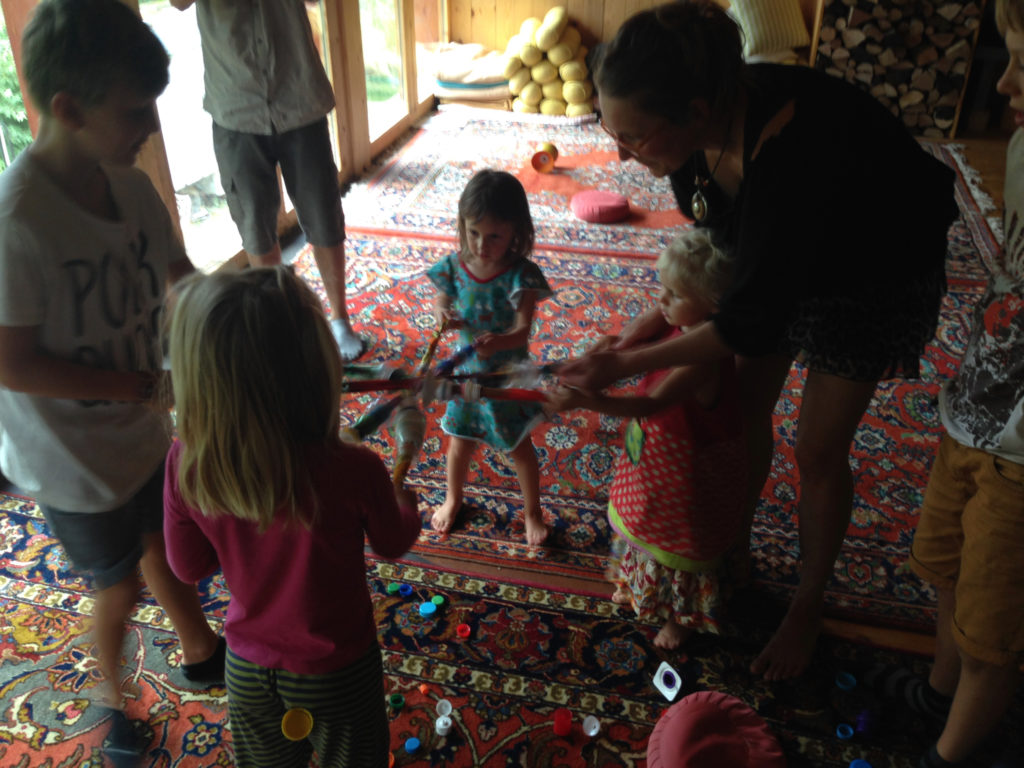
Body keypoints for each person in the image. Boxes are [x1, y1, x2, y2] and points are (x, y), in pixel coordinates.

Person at [557, 0, 959, 680]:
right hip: (778, 255)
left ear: (694, 111)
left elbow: (743, 321)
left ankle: (807, 604)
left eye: (634, 136)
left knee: (818, 450)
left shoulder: (795, 152)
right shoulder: (692, 143)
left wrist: (625, 365)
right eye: (609, 127)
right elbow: (721, 286)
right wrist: (621, 344)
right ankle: (728, 552)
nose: (621, 152)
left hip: (873, 268)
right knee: (743, 413)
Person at [0, 0, 224, 752]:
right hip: (66, 458)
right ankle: (112, 699)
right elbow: (11, 363)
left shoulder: (129, 188)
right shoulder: (18, 221)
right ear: (68, 109)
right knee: (119, 582)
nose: (150, 128)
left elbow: (179, 277)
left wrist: (232, 316)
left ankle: (200, 649)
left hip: (138, 427)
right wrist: (142, 388)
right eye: (134, 112)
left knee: (165, 542)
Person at [163, 265, 421, 768]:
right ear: (318, 371)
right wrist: (406, 503)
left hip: (246, 667)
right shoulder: (355, 467)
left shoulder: (185, 462)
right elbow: (392, 541)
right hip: (338, 669)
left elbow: (188, 567)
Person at [891, 2, 1024, 765]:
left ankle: (953, 753)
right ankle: (938, 695)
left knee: (992, 627)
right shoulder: (1022, 149)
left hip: (1021, 456)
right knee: (943, 564)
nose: (1004, 83)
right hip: (974, 409)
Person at [548, 229, 745, 650]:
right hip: (654, 458)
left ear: (713, 304)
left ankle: (681, 615)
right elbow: (633, 350)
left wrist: (586, 401)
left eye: (675, 294)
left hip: (686, 475)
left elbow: (650, 404)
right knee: (642, 519)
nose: (661, 301)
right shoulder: (679, 326)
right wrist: (614, 347)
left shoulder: (703, 359)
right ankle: (642, 585)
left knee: (678, 542)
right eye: (663, 288)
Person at [169, 0, 367, 361]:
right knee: (254, 223)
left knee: (323, 212)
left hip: (299, 94)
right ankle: (282, 322)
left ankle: (340, 320)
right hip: (235, 104)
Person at [427, 169, 553, 546]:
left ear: (517, 232)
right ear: (462, 226)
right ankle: (453, 498)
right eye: (473, 233)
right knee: (459, 442)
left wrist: (498, 342)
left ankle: (532, 512)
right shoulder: (454, 266)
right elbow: (441, 300)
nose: (482, 245)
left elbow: (522, 331)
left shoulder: (522, 276)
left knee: (519, 447)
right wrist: (443, 315)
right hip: (466, 377)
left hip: (505, 379)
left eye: (494, 236)